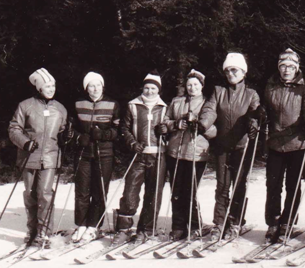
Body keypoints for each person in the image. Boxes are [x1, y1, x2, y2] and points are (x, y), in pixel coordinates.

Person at [199, 53, 261, 241]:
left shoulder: (251, 94)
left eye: (234, 70)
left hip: (242, 146)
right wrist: (203, 123)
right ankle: (219, 222)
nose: (230, 73)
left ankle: (235, 221)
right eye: (227, 70)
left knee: (239, 185)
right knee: (222, 186)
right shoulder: (219, 91)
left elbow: (255, 113)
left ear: (243, 71)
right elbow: (209, 109)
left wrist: (253, 124)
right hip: (222, 146)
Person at [9, 68, 68, 247]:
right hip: (29, 156)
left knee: (45, 194)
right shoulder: (25, 105)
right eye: (47, 86)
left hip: (50, 157)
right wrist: (25, 142)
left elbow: (63, 130)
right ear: (39, 88)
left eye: (53, 85)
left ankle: (43, 233)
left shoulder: (60, 108)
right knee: (30, 194)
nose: (51, 89)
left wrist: (67, 137)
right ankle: (32, 230)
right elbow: (14, 129)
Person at [263, 49, 305, 243]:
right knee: (273, 185)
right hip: (276, 143)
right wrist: (260, 114)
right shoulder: (271, 86)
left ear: (296, 68)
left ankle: (288, 222)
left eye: (291, 66)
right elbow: (266, 108)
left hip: (297, 143)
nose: (286, 70)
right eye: (283, 66)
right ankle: (273, 222)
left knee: (293, 185)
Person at [113, 72, 169, 245]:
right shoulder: (133, 105)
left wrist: (165, 131)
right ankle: (123, 229)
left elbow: (170, 128)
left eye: (153, 88)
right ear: (142, 88)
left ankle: (146, 230)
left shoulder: (164, 107)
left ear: (158, 90)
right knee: (130, 193)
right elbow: (125, 127)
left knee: (153, 194)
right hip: (138, 155)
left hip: (158, 155)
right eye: (147, 87)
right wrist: (132, 143)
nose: (150, 91)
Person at [164, 69, 216, 240]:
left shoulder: (208, 104)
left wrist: (199, 126)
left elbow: (215, 130)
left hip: (196, 153)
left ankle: (194, 225)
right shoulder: (177, 102)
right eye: (189, 85)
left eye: (196, 84)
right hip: (175, 152)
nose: (192, 88)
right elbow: (165, 121)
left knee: (190, 191)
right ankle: (178, 226)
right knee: (176, 191)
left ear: (201, 86)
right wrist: (175, 124)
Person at [71, 72, 120, 244]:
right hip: (84, 153)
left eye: (98, 85)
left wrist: (103, 134)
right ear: (86, 88)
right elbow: (71, 128)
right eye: (91, 85)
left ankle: (94, 226)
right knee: (82, 191)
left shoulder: (112, 104)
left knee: (99, 191)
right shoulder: (78, 103)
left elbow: (118, 130)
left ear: (102, 86)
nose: (95, 88)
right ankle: (81, 225)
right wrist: (79, 138)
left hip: (104, 153)